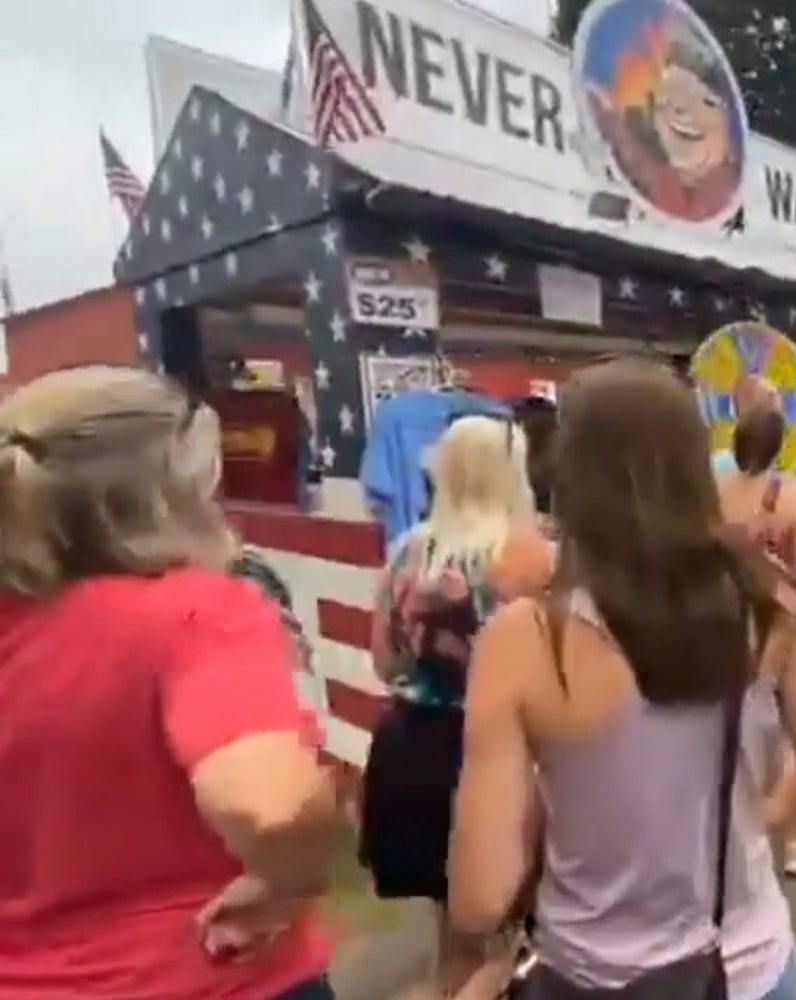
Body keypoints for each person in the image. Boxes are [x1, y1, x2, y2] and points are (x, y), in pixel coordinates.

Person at [448, 360, 796, 1000]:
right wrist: (746, 832)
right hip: (749, 968)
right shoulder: (767, 607)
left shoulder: (523, 639)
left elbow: (480, 897)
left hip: (586, 974)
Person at [0, 366, 340, 1000]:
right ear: (168, 485)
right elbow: (273, 808)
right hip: (208, 973)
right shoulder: (191, 614)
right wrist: (294, 877)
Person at [360, 414, 552, 1000]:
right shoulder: (535, 559)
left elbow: (384, 661)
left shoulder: (405, 554)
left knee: (453, 935)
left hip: (411, 749)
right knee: (526, 939)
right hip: (507, 760)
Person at [719, 407, 796, 878]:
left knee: (755, 727)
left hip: (729, 617)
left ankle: (790, 832)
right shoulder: (785, 495)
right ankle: (781, 832)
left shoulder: (715, 494)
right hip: (782, 620)